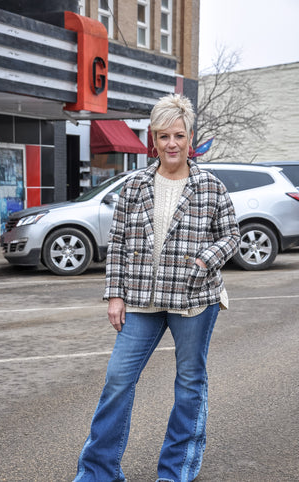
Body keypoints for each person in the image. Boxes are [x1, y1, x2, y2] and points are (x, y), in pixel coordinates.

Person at [73, 94, 240, 482]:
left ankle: (176, 470)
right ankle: (98, 472)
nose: (171, 144)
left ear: (190, 137)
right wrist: (115, 295)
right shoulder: (134, 186)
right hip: (141, 302)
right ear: (153, 138)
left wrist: (204, 261)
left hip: (194, 301)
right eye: (163, 135)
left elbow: (231, 235)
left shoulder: (210, 187)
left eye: (178, 135)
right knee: (118, 379)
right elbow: (117, 243)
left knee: (189, 383)